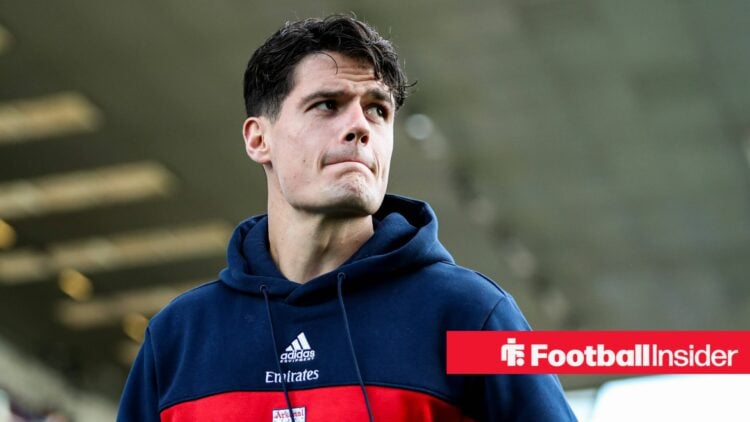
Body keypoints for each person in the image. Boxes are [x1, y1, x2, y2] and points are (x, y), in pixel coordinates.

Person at [118, 14, 577, 421]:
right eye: (327, 105)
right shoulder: (177, 338)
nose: (360, 126)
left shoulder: (472, 315)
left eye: (378, 110)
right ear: (259, 139)